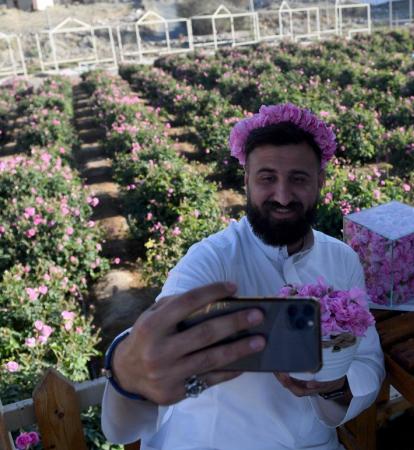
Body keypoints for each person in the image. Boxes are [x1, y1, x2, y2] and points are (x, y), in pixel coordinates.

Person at [100, 104, 385, 450]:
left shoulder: (341, 259)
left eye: (299, 178)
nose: (282, 196)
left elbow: (368, 359)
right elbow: (151, 366)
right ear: (246, 180)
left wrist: (335, 386)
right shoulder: (211, 261)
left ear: (320, 182)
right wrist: (128, 372)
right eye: (267, 178)